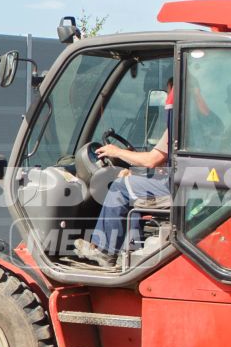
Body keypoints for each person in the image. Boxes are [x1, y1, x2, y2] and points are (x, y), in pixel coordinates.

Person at [74, 79, 177, 266]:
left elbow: (152, 160)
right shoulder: (195, 123)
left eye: (168, 94)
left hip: (175, 187)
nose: (166, 102)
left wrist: (116, 152)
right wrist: (136, 173)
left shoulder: (179, 126)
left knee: (120, 188)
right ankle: (131, 250)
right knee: (132, 186)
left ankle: (105, 251)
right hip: (177, 182)